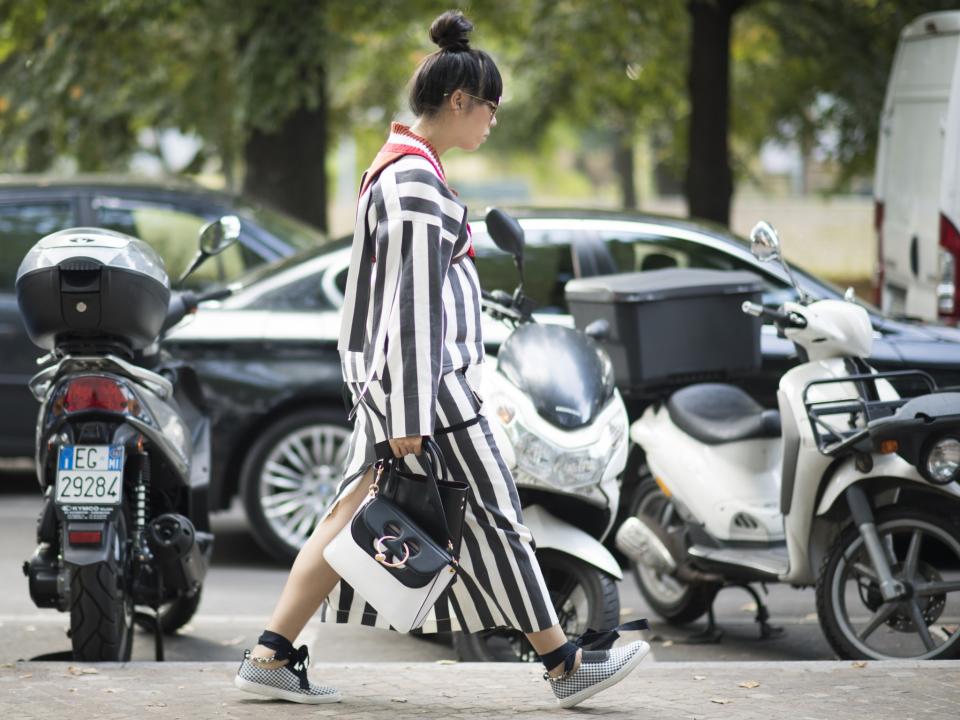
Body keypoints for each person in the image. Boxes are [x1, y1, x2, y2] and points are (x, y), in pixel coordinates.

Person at [233, 9, 649, 710]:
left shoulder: (397, 169)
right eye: (490, 108)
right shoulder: (417, 185)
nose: (493, 121)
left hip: (396, 388)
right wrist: (410, 412)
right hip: (430, 391)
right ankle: (563, 663)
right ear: (460, 102)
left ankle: (270, 654)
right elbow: (415, 310)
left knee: (344, 521)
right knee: (500, 517)